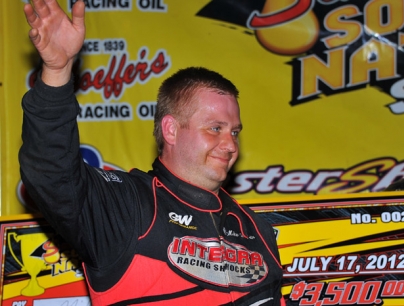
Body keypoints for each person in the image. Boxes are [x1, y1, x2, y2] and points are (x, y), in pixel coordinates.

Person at [19, 0, 285, 305]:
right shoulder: (127, 207)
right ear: (171, 130)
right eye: (215, 128)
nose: (230, 144)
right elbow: (52, 174)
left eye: (234, 131)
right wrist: (58, 71)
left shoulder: (256, 229)